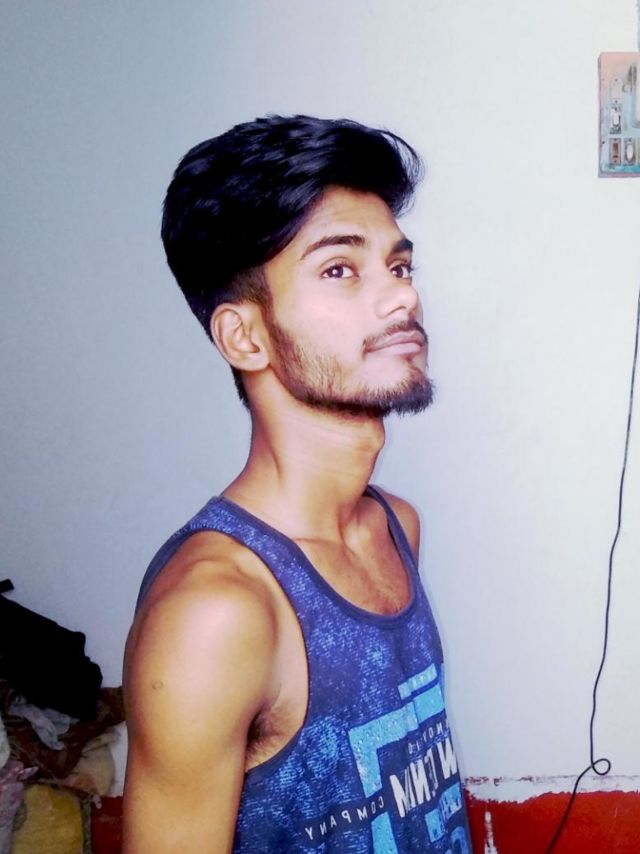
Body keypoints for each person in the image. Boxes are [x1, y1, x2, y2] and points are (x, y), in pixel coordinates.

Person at [123, 115, 472, 853]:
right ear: (244, 336)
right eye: (340, 270)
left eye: (399, 267)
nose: (402, 300)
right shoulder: (216, 612)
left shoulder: (395, 528)